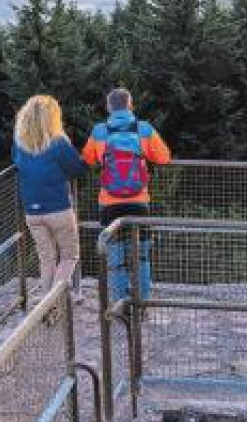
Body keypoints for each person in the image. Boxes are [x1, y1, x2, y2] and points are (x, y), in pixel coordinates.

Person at [82, 87, 171, 301]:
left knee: (115, 258)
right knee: (141, 256)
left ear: (108, 107)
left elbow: (87, 158)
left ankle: (119, 304)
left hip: (109, 203)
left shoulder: (99, 131)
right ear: (130, 105)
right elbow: (164, 157)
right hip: (138, 201)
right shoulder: (144, 129)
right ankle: (142, 301)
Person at [12, 95, 86, 297]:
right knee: (69, 256)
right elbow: (77, 168)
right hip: (58, 209)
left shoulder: (19, 143)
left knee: (47, 258)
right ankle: (54, 301)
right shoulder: (58, 143)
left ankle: (46, 306)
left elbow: (17, 164)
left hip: (32, 212)